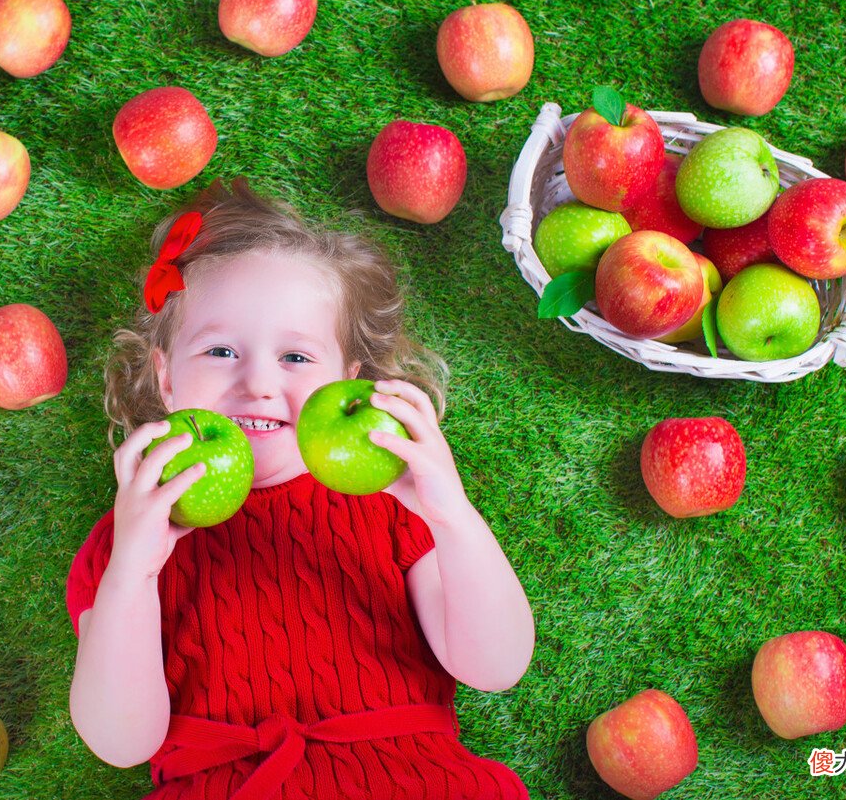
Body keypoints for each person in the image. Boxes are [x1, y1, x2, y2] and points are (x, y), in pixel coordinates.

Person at [66, 178, 535, 799]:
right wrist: (133, 569)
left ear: (349, 381)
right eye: (221, 350)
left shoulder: (396, 508)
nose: (258, 381)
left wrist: (451, 516)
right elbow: (121, 743)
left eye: (296, 358)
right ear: (167, 380)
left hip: (408, 781)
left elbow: (496, 666)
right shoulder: (127, 538)